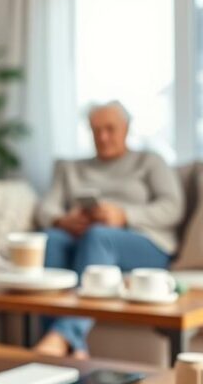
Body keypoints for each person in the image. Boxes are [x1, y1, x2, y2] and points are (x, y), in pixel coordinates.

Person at [33, 101, 184, 358]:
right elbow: (44, 209)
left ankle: (63, 336)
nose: (103, 137)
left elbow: (173, 207)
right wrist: (63, 220)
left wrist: (124, 215)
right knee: (51, 240)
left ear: (126, 129)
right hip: (83, 241)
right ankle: (72, 349)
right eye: (96, 130)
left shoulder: (149, 161)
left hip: (144, 243)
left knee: (99, 236)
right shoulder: (70, 168)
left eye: (110, 129)